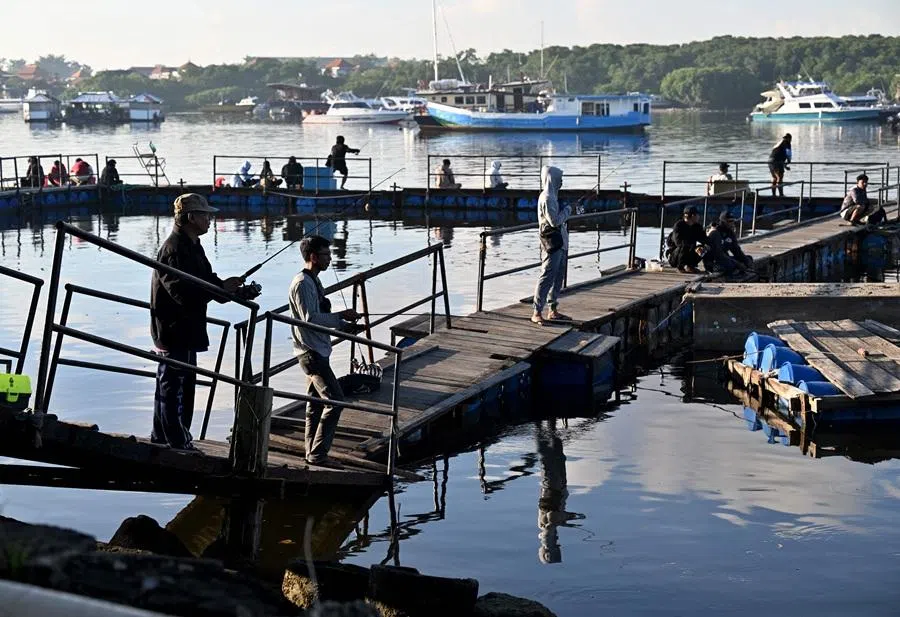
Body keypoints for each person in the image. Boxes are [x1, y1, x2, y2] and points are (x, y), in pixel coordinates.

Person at [150, 193, 244, 450]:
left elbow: (205, 280)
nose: (210, 219)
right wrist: (219, 289)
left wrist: (229, 290)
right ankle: (176, 440)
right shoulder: (174, 248)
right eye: (205, 215)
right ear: (190, 217)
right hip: (173, 329)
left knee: (179, 384)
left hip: (187, 328)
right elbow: (182, 292)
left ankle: (164, 435)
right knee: (174, 386)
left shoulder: (193, 246)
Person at [288, 235, 361, 466]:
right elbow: (310, 318)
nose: (330, 258)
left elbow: (320, 314)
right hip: (310, 352)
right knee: (336, 401)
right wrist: (341, 316)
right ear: (313, 257)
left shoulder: (314, 281)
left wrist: (346, 325)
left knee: (315, 405)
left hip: (318, 349)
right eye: (326, 255)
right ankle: (318, 455)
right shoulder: (302, 283)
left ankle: (311, 452)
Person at [531, 166, 570, 326]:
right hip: (551, 243)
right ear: (551, 179)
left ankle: (552, 309)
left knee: (559, 275)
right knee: (547, 275)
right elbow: (554, 221)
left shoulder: (553, 196)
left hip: (561, 241)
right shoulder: (547, 197)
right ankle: (537, 312)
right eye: (559, 178)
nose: (561, 181)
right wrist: (568, 210)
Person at [665, 205, 708, 273]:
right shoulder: (678, 225)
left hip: (689, 251)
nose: (699, 217)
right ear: (693, 216)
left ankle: (690, 266)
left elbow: (704, 239)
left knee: (704, 249)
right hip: (675, 255)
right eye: (697, 215)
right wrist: (692, 246)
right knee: (683, 246)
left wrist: (702, 245)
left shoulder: (697, 227)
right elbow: (678, 242)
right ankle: (680, 267)